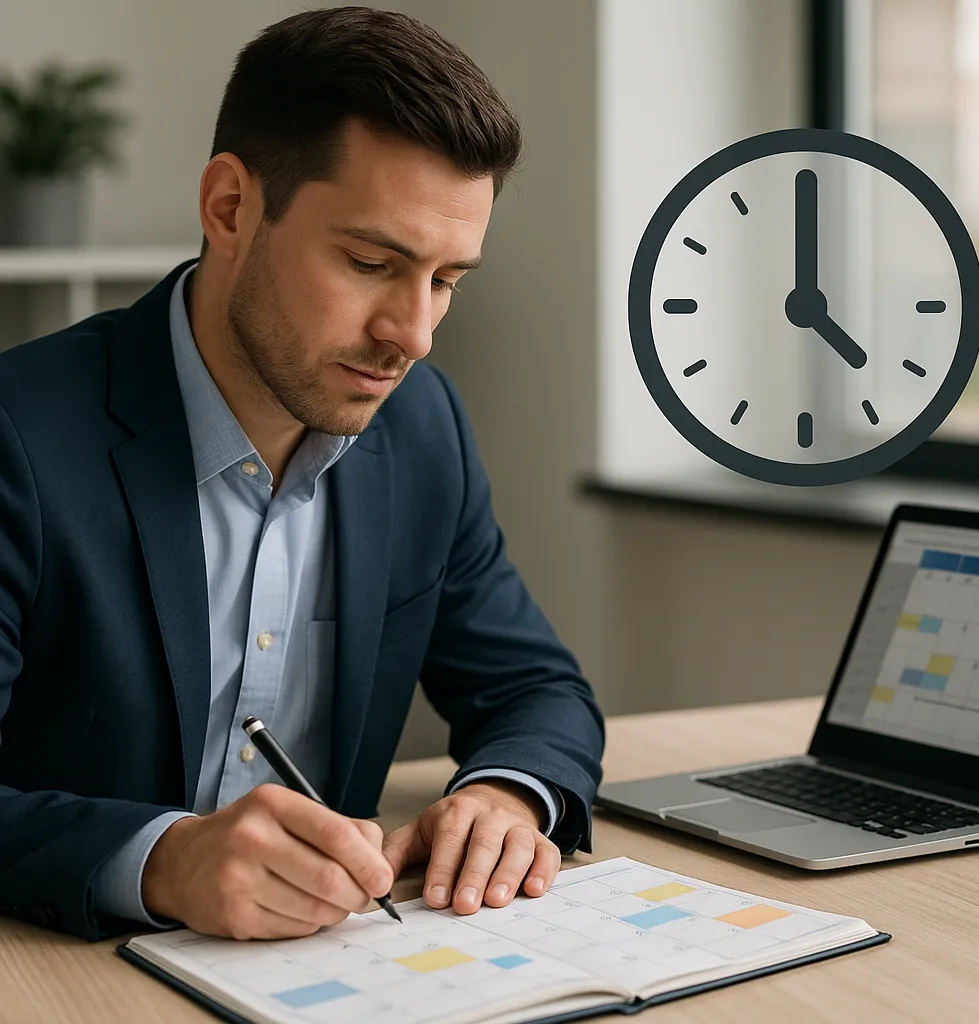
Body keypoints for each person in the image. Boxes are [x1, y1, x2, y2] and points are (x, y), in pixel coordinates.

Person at [0, 6, 604, 942]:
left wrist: (505, 797)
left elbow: (537, 688)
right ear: (231, 207)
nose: (415, 333)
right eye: (371, 262)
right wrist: (163, 859)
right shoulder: (18, 437)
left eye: (447, 281)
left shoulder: (423, 429)